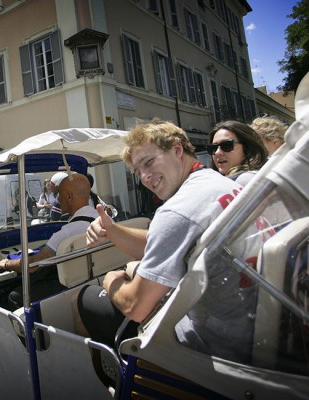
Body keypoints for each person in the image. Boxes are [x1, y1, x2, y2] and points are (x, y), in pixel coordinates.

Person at [73, 119, 256, 363]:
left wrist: (110, 281)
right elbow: (165, 240)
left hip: (209, 346)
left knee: (82, 299)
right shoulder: (219, 185)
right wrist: (112, 230)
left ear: (177, 150)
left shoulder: (176, 211)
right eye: (138, 172)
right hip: (248, 329)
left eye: (149, 162)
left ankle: (113, 381)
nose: (146, 177)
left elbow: (135, 307)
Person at [0, 173, 99, 310]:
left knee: (15, 296)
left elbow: (32, 265)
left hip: (70, 285)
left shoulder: (66, 233)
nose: (57, 199)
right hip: (94, 279)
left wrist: (7, 264)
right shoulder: (102, 220)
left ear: (69, 196)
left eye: (59, 194)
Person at [207, 120, 268, 186]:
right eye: (213, 148)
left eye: (226, 145)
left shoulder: (246, 180)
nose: (217, 152)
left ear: (247, 148)